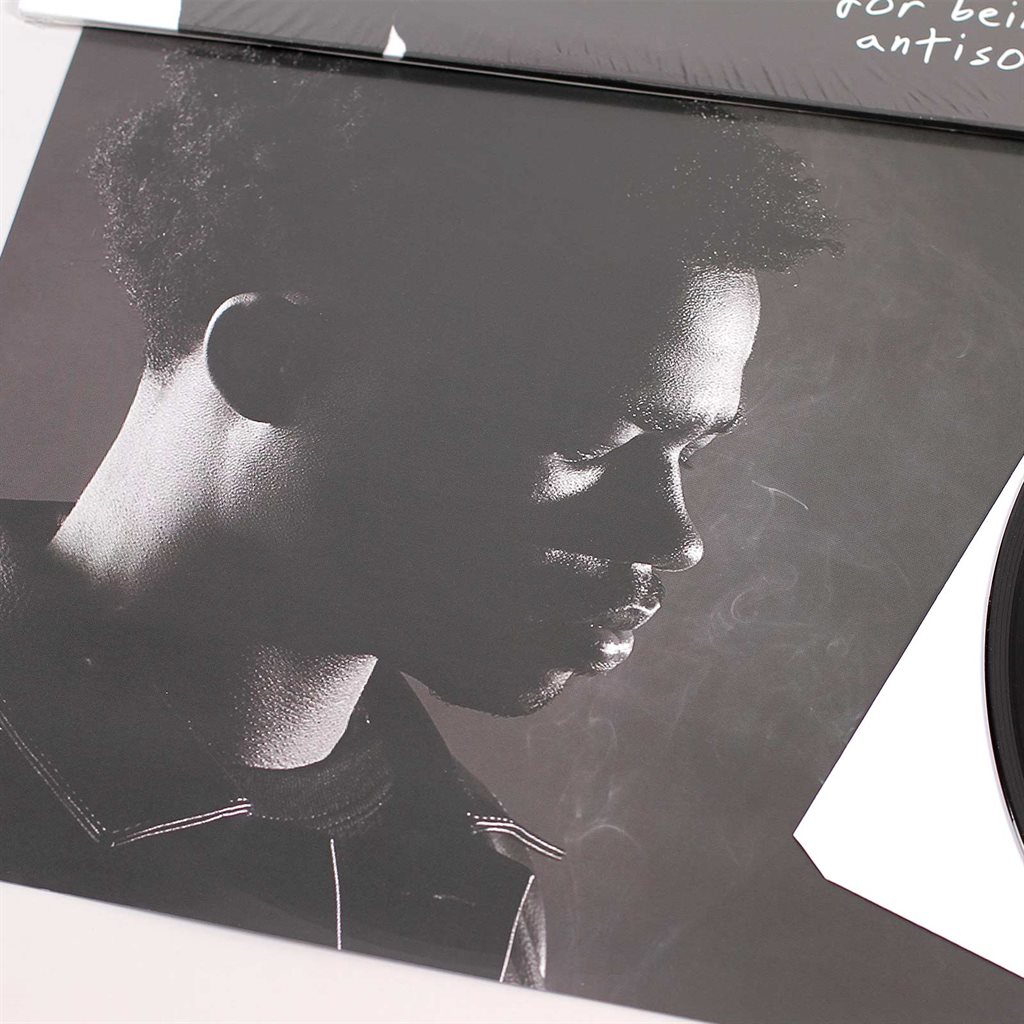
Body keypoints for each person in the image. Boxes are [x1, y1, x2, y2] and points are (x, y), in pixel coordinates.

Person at [0, 41, 836, 987]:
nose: (675, 538)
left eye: (692, 453)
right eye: (589, 440)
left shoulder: (480, 902)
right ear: (272, 361)